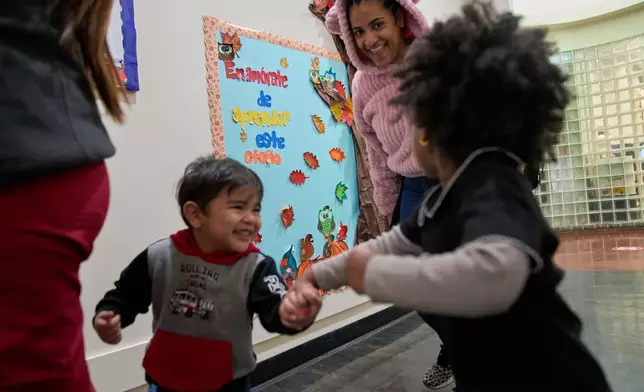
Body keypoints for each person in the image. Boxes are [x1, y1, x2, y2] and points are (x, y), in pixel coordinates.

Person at [287, 1, 614, 391]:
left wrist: (377, 278)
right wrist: (317, 276)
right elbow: (396, 242)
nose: (404, 132)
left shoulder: (492, 190)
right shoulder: (440, 201)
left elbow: (491, 277)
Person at [93, 157, 322, 392]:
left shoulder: (256, 267)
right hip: (164, 379)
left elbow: (275, 310)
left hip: (227, 383)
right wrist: (111, 313)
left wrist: (295, 314)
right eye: (238, 207)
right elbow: (126, 294)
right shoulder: (160, 256)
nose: (251, 218)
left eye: (256, 209)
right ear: (195, 215)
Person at [324, 0, 453, 388]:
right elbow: (375, 151)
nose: (369, 40)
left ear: (400, 17)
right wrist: (384, 204)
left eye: (377, 25)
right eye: (358, 32)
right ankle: (457, 344)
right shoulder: (362, 84)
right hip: (411, 189)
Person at [0, 1, 125, 391]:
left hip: (33, 162)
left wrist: (280, 312)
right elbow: (134, 289)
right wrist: (115, 309)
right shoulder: (164, 255)